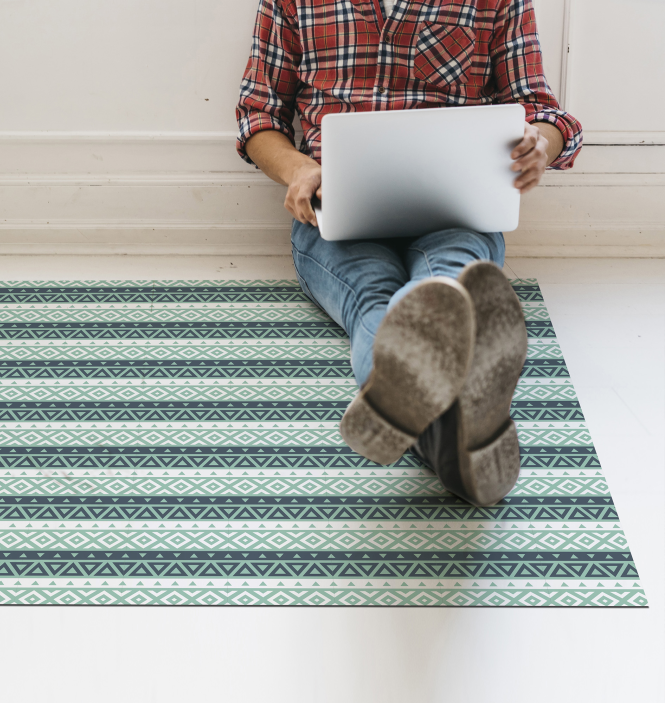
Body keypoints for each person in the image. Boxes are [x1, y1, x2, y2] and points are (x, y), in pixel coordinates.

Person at [235, 0, 582, 507]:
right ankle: (460, 430)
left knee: (445, 291)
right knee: (375, 297)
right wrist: (298, 169)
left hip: (458, 209)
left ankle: (432, 426)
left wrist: (539, 145)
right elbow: (257, 115)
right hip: (334, 211)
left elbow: (543, 112)